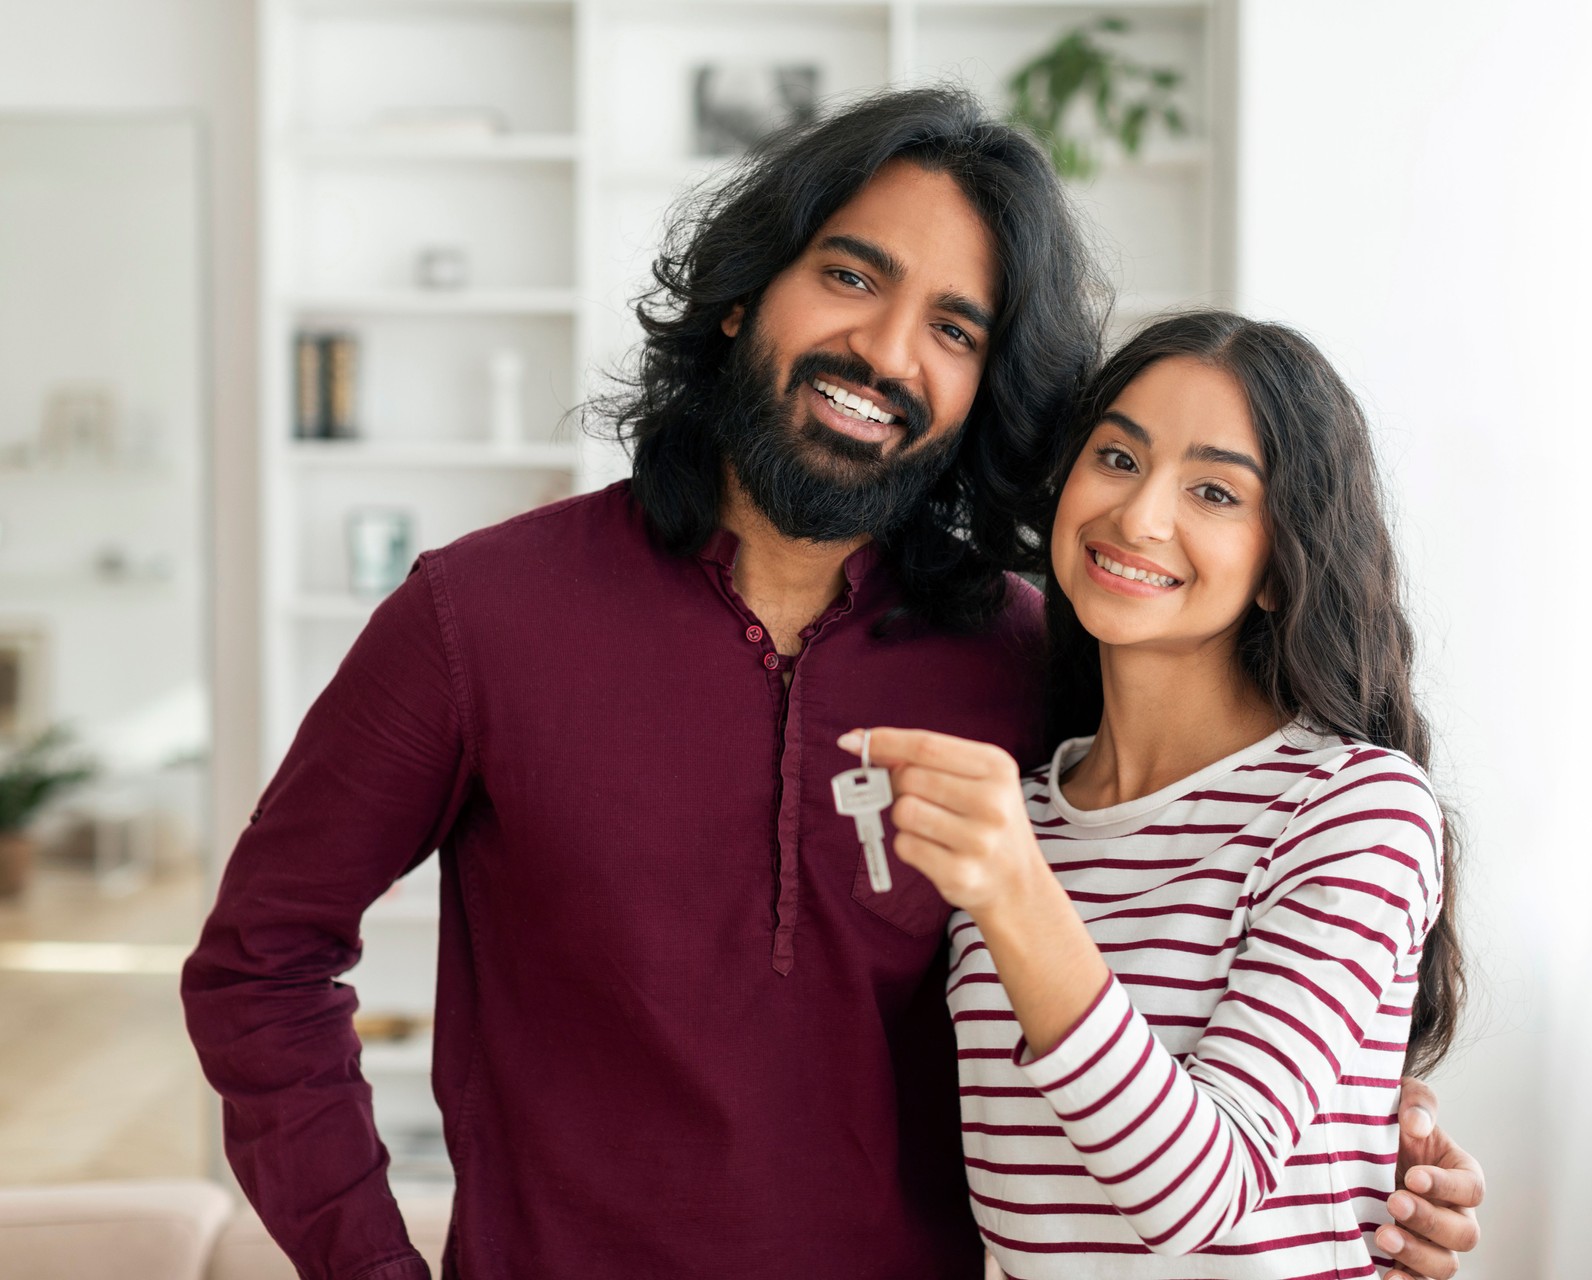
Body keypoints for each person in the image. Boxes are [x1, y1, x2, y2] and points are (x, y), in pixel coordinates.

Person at [181, 88, 1480, 1278]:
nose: (887, 351)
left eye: (955, 328)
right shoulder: (479, 616)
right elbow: (262, 962)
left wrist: (1370, 1157)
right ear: (746, 293)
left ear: (983, 390)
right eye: (852, 275)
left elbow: (1182, 972)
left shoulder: (1032, 661)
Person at [848, 311, 1471, 1278]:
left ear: (1280, 567)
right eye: (1118, 457)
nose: (1140, 518)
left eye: (1215, 490)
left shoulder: (1355, 810)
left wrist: (1017, 895)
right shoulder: (1019, 813)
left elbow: (1199, 1197)